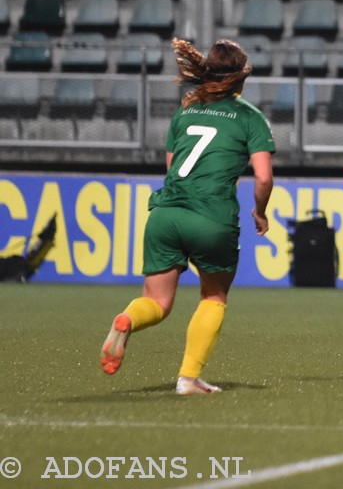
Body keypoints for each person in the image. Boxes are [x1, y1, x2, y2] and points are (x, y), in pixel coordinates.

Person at [100, 37, 276, 395]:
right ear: (242, 78)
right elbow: (263, 177)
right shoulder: (249, 117)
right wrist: (260, 212)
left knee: (157, 302)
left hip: (165, 214)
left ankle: (127, 320)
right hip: (211, 217)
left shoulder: (185, 110)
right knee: (213, 298)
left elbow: (171, 167)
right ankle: (188, 378)